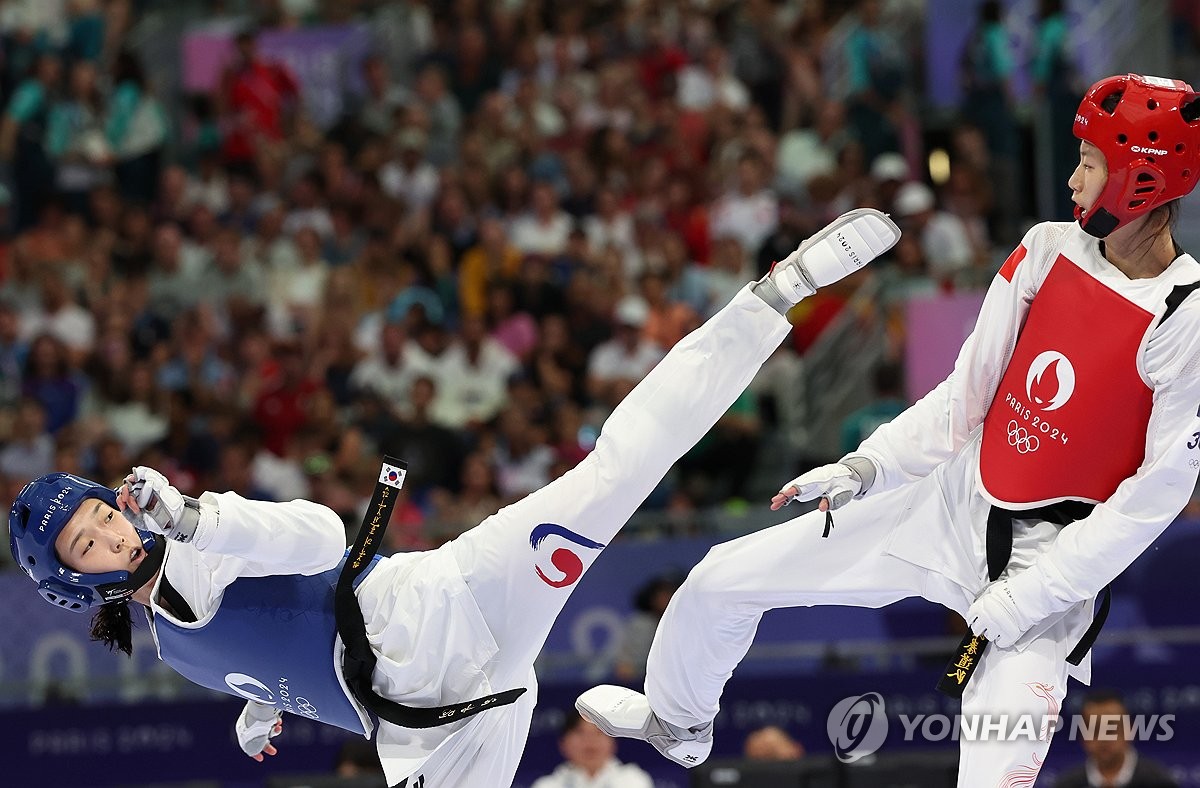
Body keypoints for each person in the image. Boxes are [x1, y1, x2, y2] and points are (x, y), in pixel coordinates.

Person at [8, 209, 900, 787]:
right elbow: (265, 628)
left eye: (103, 515)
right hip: (439, 732)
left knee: (614, 473)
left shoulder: (194, 541)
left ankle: (774, 294)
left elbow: (318, 535)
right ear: (74, 583)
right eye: (89, 544)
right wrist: (262, 700)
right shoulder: (170, 639)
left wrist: (194, 513)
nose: (112, 535)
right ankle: (680, 726)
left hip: (448, 595)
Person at [578, 73, 1200, 785]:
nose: (1071, 179)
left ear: (1141, 180)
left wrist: (1033, 594)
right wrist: (865, 468)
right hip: (948, 502)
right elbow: (961, 399)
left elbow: (1153, 498)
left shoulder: (1185, 314)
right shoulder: (1046, 247)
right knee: (720, 577)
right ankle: (681, 723)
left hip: (1046, 570)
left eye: (1090, 165)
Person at [1053, 690, 1177, 788]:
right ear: (1082, 735)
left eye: (1111, 729)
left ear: (1129, 730)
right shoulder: (1066, 784)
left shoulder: (1159, 782)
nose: (1103, 738)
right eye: (1095, 730)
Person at [530, 710, 653, 788]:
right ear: (563, 743)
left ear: (613, 741)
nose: (590, 740)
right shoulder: (546, 785)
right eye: (579, 732)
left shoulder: (633, 780)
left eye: (598, 732)